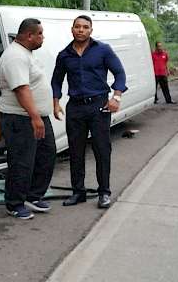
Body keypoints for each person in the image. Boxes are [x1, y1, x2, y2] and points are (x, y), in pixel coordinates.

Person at [51, 15, 127, 209]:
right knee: (75, 151)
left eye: (85, 27)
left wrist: (116, 97)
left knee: (102, 149)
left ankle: (104, 193)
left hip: (99, 106)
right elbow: (56, 80)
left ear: (91, 30)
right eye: (77, 27)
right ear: (72, 29)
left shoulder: (102, 50)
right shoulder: (64, 55)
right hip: (75, 107)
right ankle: (78, 192)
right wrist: (56, 101)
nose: (81, 30)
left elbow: (119, 73)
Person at [0, 18, 57, 220]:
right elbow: (21, 89)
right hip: (20, 118)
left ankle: (33, 195)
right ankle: (14, 203)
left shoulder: (27, 54)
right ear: (29, 35)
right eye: (40, 34)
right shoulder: (15, 56)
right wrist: (34, 117)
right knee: (22, 161)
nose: (43, 38)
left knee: (46, 154)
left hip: (36, 116)